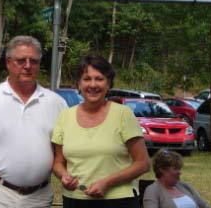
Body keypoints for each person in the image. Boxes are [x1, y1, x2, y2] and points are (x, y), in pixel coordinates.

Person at [0, 35, 68, 208]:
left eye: (34, 61)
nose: (27, 66)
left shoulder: (56, 103)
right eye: (21, 60)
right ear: (8, 62)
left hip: (39, 197)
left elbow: (65, 152)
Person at [52, 54, 150, 208]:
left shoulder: (123, 114)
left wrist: (107, 182)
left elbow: (143, 163)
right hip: (74, 200)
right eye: (87, 79)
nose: (93, 84)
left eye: (99, 79)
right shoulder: (65, 116)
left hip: (118, 201)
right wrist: (63, 175)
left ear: (108, 84)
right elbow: (58, 161)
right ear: (78, 83)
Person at [143, 149, 211, 208]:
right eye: (176, 169)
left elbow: (205, 206)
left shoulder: (184, 186)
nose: (179, 172)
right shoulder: (152, 191)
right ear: (162, 170)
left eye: (179, 169)